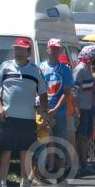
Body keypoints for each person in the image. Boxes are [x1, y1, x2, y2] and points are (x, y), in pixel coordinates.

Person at [0, 38, 48, 187]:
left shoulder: (35, 70)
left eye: (22, 50)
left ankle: (25, 182)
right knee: (5, 150)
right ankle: (2, 182)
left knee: (26, 150)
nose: (18, 52)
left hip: (28, 117)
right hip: (7, 116)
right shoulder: (6, 66)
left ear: (28, 52)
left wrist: (44, 113)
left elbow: (43, 92)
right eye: (16, 49)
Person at [40, 39, 74, 173]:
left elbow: (67, 93)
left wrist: (55, 109)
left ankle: (60, 170)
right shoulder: (40, 67)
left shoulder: (65, 70)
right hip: (43, 110)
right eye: (52, 48)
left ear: (60, 51)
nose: (54, 51)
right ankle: (46, 168)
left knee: (60, 141)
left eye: (57, 49)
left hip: (59, 112)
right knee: (44, 140)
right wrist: (43, 109)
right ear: (47, 49)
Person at [73, 45, 95, 175]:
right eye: (93, 56)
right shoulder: (80, 69)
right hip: (82, 108)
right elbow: (75, 90)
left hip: (88, 107)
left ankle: (84, 163)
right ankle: (79, 164)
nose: (94, 58)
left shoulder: (87, 69)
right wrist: (77, 109)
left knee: (86, 137)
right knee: (81, 137)